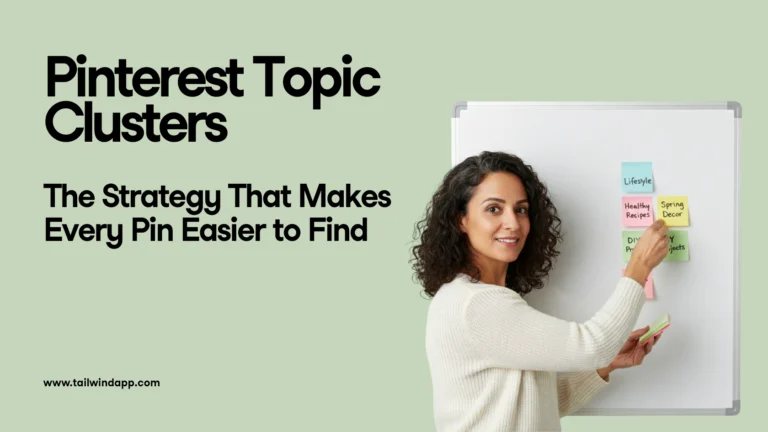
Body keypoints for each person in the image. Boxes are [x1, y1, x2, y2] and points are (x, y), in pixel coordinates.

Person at [410, 151, 668, 432]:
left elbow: (533, 405)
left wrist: (604, 368)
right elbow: (594, 345)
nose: (512, 222)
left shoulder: (473, 298)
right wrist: (639, 267)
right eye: (494, 209)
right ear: (461, 219)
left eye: (520, 209)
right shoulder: (475, 304)